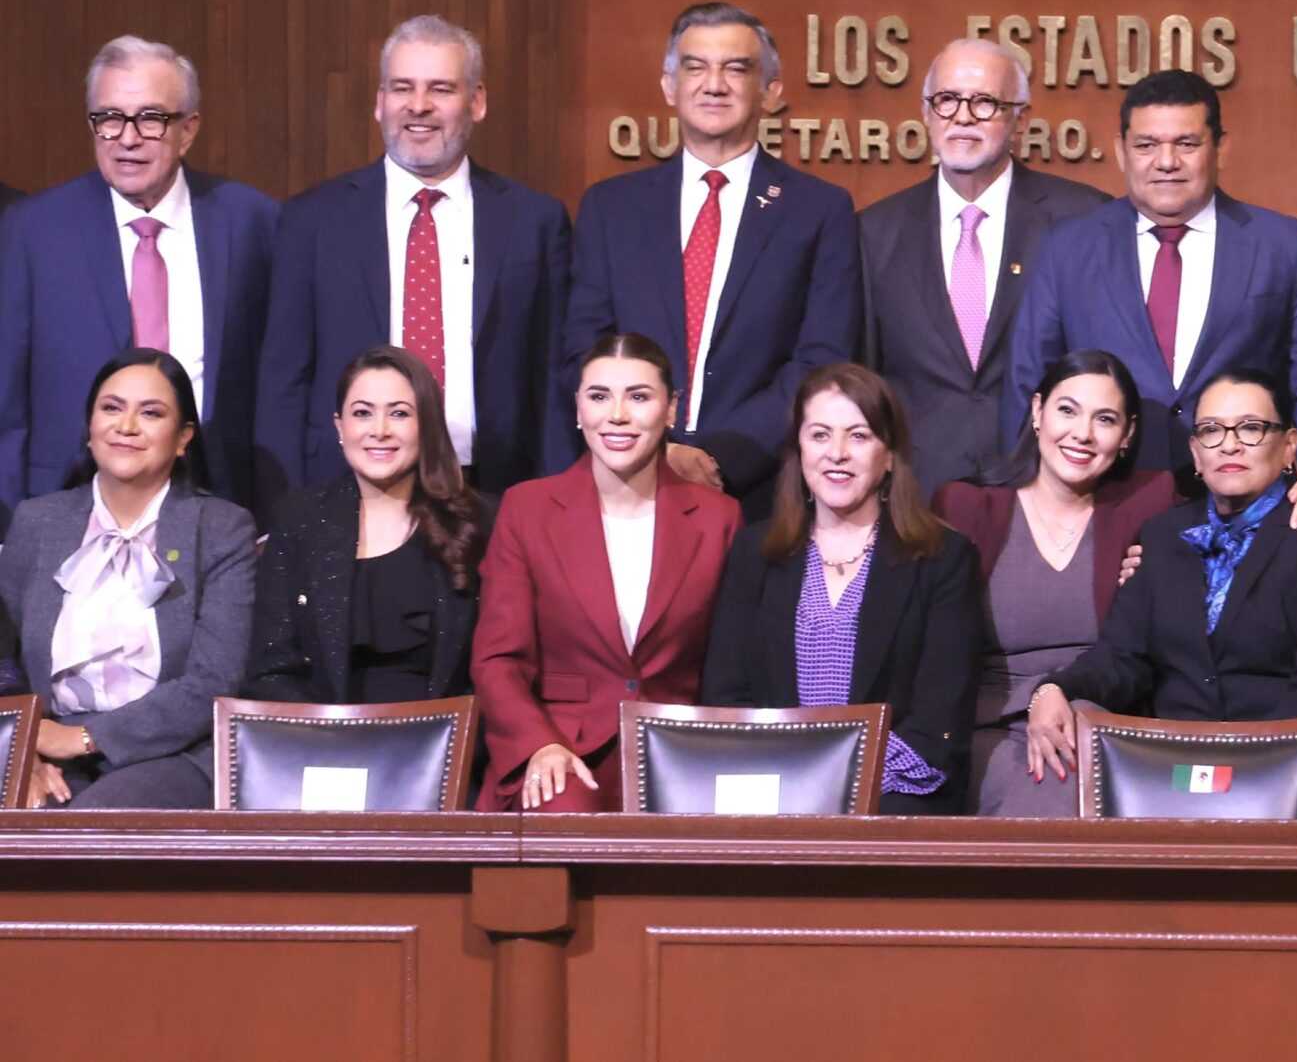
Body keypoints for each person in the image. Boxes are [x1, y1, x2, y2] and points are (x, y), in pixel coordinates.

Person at [565, 3, 862, 520]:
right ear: (669, 86)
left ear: (770, 91)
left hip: (763, 495)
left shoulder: (820, 211)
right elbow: (584, 349)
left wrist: (719, 456)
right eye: (695, 67)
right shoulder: (610, 208)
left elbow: (821, 360)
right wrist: (655, 451)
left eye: (736, 69)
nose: (713, 84)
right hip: (625, 484)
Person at [258, 16, 573, 500]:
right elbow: (284, 379)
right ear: (380, 102)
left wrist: (554, 502)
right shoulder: (312, 221)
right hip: (343, 492)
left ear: (477, 102)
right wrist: (283, 511)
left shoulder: (535, 221)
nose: (419, 106)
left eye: (441, 89)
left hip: (492, 491)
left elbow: (552, 378)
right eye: (402, 87)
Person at [1022, 368, 1297, 777]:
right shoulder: (1163, 534)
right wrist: (1055, 688)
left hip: (1288, 767)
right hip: (1173, 764)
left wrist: (1247, 767)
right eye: (1211, 431)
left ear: (1290, 446)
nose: (1229, 445)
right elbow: (1122, 656)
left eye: (1251, 428)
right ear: (1195, 451)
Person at [1008, 72, 1297, 482]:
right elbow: (1031, 379)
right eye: (1146, 145)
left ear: (1220, 148)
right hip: (1104, 498)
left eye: (1186, 144)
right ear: (1121, 151)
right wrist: (1023, 494)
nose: (1166, 162)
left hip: (1246, 501)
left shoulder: (1282, 245)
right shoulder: (1069, 247)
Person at [0, 37, 277, 516]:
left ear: (188, 129)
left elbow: (276, 383)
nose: (127, 138)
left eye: (150, 118)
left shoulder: (252, 222)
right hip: (67, 508)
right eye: (109, 118)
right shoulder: (33, 229)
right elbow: (7, 401)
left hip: (217, 506)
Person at [472, 333, 740, 811]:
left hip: (677, 753)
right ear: (578, 408)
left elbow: (730, 667)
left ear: (671, 409)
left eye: (639, 397)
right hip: (561, 750)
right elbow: (499, 660)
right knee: (561, 810)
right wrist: (538, 744)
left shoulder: (719, 517)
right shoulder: (527, 508)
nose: (617, 414)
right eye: (599, 396)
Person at [702, 364, 980, 812]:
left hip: (893, 793)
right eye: (819, 435)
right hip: (772, 787)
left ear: (888, 456)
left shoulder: (943, 558)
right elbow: (727, 695)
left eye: (858, 436)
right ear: (798, 450)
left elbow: (939, 720)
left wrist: (837, 784)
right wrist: (788, 783)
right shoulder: (755, 551)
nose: (837, 453)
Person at [0, 351, 254, 807]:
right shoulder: (37, 522)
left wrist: (82, 738)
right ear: (90, 427)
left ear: (183, 439)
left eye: (151, 413)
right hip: (45, 742)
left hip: (171, 753)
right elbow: (4, 658)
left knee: (86, 832)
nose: (127, 426)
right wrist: (20, 750)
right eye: (111, 408)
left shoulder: (220, 529)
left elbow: (213, 681)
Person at [933, 349, 1181, 816]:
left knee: (1067, 774)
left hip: (1096, 717)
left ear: (1127, 436)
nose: (1082, 434)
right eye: (1067, 410)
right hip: (990, 723)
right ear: (1037, 412)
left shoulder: (1148, 507)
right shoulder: (967, 507)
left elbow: (1236, 504)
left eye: (1104, 419)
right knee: (1046, 783)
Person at [860, 38, 1107, 494]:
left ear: (1020, 118)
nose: (963, 116)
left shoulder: (1082, 220)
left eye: (985, 102)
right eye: (947, 100)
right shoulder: (873, 233)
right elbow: (862, 380)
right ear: (926, 112)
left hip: (1046, 491)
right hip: (915, 497)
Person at [246, 347, 490, 704]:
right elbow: (270, 670)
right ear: (339, 427)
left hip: (441, 743)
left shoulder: (478, 522)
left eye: (400, 414)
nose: (380, 430)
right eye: (362, 413)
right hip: (323, 744)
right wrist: (331, 741)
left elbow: (493, 673)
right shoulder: (298, 520)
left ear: (427, 425)